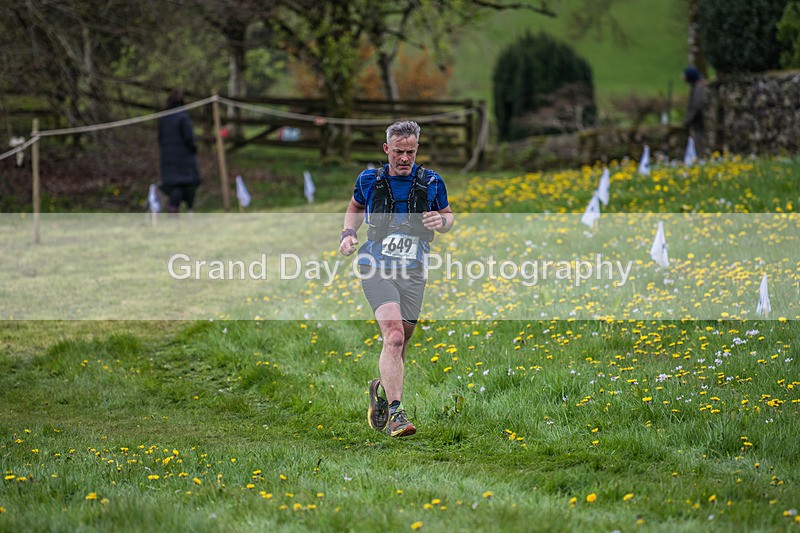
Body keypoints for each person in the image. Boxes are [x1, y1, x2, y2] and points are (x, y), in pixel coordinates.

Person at [339, 120, 453, 437]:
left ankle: (383, 391)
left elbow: (448, 216)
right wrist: (348, 233)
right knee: (394, 337)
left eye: (411, 152)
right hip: (375, 265)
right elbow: (354, 206)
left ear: (417, 149)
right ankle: (397, 415)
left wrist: (440, 221)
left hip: (413, 270)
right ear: (387, 149)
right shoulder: (369, 180)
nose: (404, 159)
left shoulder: (432, 181)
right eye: (399, 152)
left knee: (401, 342)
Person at [158, 89, 201, 214]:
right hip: (183, 159)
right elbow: (188, 138)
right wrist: (193, 148)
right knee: (186, 185)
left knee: (176, 187)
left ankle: (174, 211)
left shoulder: (164, 117)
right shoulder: (183, 116)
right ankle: (188, 210)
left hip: (168, 158)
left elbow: (160, 138)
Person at [682, 66, 705, 158]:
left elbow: (696, 107)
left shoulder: (699, 88)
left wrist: (687, 121)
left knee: (699, 147)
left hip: (699, 124)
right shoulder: (696, 86)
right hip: (698, 124)